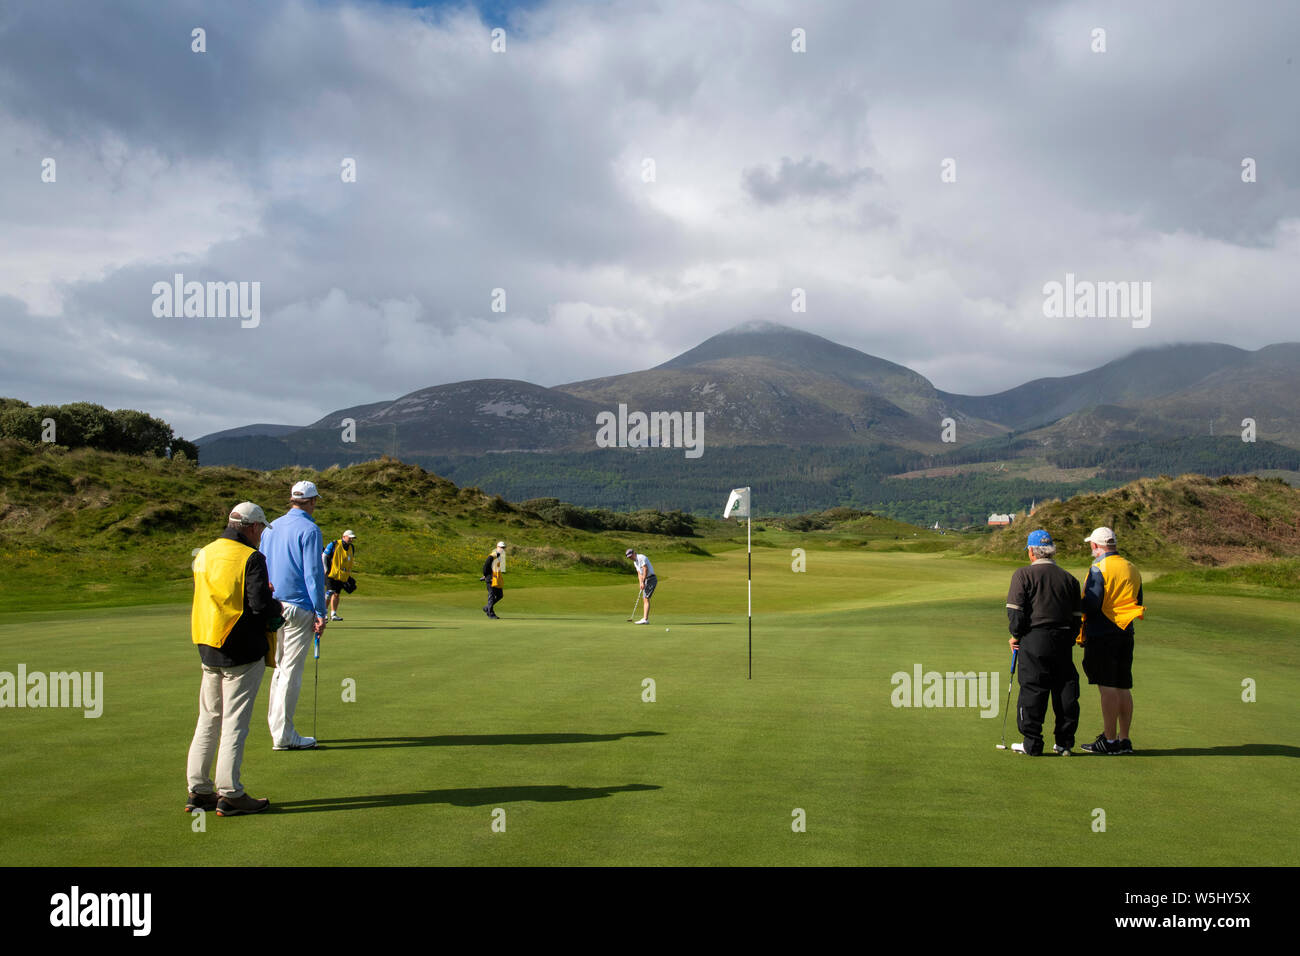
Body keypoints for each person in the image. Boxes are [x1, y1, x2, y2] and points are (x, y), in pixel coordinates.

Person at [185, 502, 279, 816]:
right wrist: (275, 607)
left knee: (208, 719)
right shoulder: (251, 557)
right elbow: (257, 606)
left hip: (208, 644)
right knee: (234, 724)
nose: (262, 534)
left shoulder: (205, 553)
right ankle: (231, 793)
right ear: (252, 527)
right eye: (261, 528)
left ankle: (198, 789)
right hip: (241, 649)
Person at [259, 480, 327, 750]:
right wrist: (321, 612)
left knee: (278, 669)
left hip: (273, 605)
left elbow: (261, 566)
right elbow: (313, 574)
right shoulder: (310, 529)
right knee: (290, 671)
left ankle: (278, 730)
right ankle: (284, 735)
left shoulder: (271, 527)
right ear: (311, 502)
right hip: (299, 607)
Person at [1004, 530, 1083, 756]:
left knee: (1033, 688)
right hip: (1063, 639)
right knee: (1064, 688)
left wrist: (1015, 636)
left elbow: (1016, 612)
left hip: (1033, 639)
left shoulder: (1022, 575)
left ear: (1031, 551)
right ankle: (1064, 742)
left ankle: (1032, 742)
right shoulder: (1069, 579)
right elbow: (1077, 617)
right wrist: (1069, 638)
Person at [1079, 527, 1145, 755]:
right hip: (1126, 633)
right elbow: (1138, 599)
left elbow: (1092, 604)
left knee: (1107, 687)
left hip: (1102, 633)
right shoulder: (1132, 568)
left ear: (1096, 546)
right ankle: (1124, 739)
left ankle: (1108, 740)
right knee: (1123, 686)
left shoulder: (1099, 568)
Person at [323, 530, 356, 621]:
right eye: (349, 538)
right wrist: (325, 569)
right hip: (331, 572)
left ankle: (333, 614)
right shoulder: (334, 544)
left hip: (342, 575)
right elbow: (324, 556)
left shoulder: (351, 547)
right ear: (344, 536)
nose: (351, 540)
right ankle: (324, 613)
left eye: (352, 538)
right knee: (329, 592)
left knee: (336, 594)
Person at [626, 548, 657, 624]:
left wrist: (643, 581)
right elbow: (639, 573)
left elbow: (645, 569)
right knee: (645, 599)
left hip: (651, 579)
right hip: (646, 579)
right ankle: (645, 618)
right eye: (629, 557)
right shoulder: (635, 562)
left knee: (646, 598)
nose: (630, 558)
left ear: (634, 553)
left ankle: (645, 619)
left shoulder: (641, 557)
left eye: (631, 556)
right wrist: (641, 583)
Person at [482, 541, 505, 618]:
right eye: (501, 547)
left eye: (503, 548)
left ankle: (487, 608)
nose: (502, 549)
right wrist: (486, 576)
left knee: (499, 595)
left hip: (497, 579)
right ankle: (491, 613)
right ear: (497, 547)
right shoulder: (492, 556)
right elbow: (485, 567)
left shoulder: (500, 556)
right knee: (491, 596)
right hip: (491, 578)